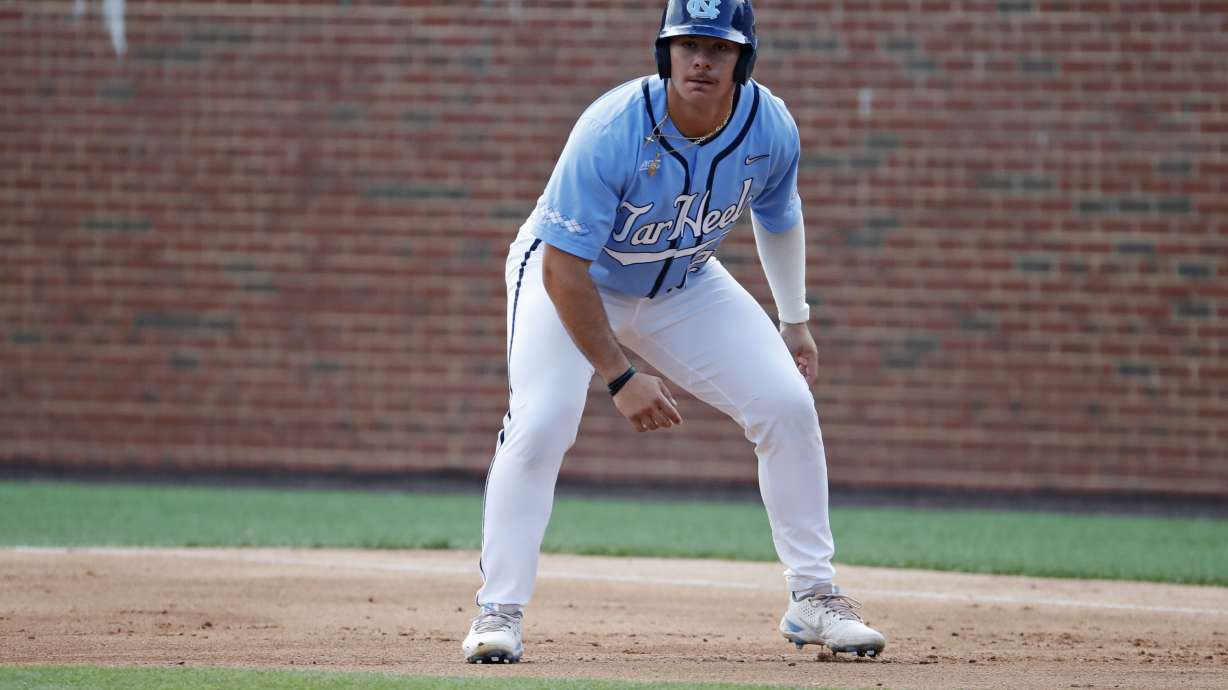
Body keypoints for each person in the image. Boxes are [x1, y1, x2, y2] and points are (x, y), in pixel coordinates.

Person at [461, 0, 887, 664]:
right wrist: (620, 376)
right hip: (573, 277)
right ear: (665, 52)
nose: (700, 59)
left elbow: (779, 214)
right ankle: (499, 609)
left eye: (718, 48)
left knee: (786, 404)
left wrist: (795, 318)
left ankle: (815, 598)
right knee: (543, 420)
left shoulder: (768, 126)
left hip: (681, 281)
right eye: (687, 44)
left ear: (743, 59)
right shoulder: (611, 128)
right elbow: (563, 267)